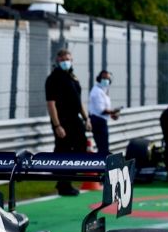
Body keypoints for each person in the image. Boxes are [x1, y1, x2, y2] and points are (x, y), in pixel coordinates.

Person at [45, 49, 92, 196]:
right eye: (63, 59)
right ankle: (64, 183)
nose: (66, 62)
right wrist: (57, 125)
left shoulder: (72, 77)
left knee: (81, 145)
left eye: (68, 59)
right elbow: (51, 103)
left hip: (74, 118)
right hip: (62, 120)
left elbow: (78, 100)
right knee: (63, 151)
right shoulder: (53, 78)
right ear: (57, 61)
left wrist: (86, 118)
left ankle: (65, 179)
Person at [87, 70, 121, 155]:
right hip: (97, 121)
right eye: (104, 78)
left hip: (101, 120)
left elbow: (105, 109)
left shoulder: (103, 91)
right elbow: (101, 110)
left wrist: (112, 114)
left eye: (108, 78)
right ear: (99, 79)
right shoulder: (97, 91)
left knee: (104, 146)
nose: (106, 80)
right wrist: (113, 112)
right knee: (102, 147)